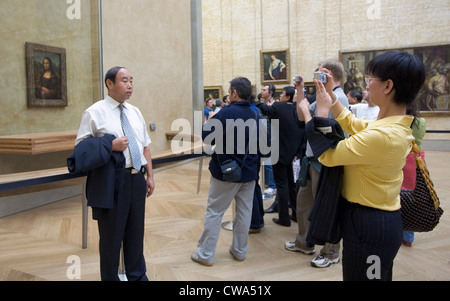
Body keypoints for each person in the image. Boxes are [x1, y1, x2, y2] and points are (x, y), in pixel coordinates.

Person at [296, 50, 426, 280]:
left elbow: (328, 155)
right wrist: (332, 97)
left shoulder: (385, 135)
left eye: (370, 80)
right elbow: (352, 122)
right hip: (368, 220)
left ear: (387, 86)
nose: (366, 85)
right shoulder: (386, 125)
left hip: (372, 226)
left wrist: (319, 111)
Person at [73, 66, 155, 281]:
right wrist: (109, 145)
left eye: (131, 80)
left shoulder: (135, 112)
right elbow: (81, 149)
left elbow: (145, 145)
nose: (129, 85)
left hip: (136, 178)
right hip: (112, 182)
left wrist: (150, 176)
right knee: (111, 237)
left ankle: (138, 276)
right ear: (109, 84)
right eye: (124, 80)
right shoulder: (94, 112)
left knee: (136, 233)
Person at [191, 77, 268, 265]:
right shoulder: (256, 112)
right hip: (250, 172)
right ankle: (240, 251)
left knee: (215, 211)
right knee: (244, 212)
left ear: (234, 93)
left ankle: (205, 254)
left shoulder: (226, 113)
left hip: (226, 171)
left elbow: (207, 136)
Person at [285, 59, 349, 269]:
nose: (315, 76)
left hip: (328, 160)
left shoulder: (338, 98)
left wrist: (306, 110)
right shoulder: (324, 96)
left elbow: (320, 127)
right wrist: (300, 91)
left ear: (327, 73)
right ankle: (304, 242)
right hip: (313, 159)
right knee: (304, 202)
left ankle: (330, 252)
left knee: (326, 207)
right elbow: (302, 117)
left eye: (318, 72)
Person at [256, 86, 304, 227]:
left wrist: (256, 100)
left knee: (281, 185)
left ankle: (284, 218)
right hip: (294, 154)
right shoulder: (298, 110)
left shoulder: (279, 106)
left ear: (287, 97)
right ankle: (295, 213)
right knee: (292, 185)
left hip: (280, 153)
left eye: (282, 93)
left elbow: (265, 110)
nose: (281, 96)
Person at [401, 105, 426, 247]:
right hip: (417, 158)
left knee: (399, 195)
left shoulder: (401, 120)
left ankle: (399, 231)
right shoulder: (421, 121)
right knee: (412, 197)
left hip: (402, 158)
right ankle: (408, 237)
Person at [259, 85, 277, 199]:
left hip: (272, 139)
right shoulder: (262, 105)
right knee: (265, 163)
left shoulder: (274, 105)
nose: (262, 91)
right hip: (263, 138)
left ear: (270, 93)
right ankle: (268, 183)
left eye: (264, 90)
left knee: (270, 163)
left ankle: (272, 185)